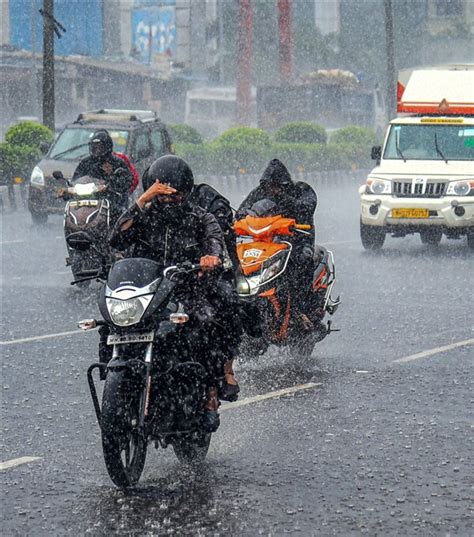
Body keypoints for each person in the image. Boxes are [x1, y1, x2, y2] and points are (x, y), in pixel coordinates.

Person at [108, 155, 241, 430]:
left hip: (188, 288)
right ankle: (119, 375)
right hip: (149, 291)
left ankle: (211, 393)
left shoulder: (201, 218)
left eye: (173, 194)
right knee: (111, 322)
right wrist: (142, 200)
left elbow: (214, 243)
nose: (167, 200)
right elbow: (115, 238)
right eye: (161, 194)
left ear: (185, 192)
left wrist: (210, 258)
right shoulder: (143, 216)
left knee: (205, 323)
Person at [236, 158, 320, 326]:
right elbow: (241, 211)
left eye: (276, 186)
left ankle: (300, 308)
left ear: (285, 184)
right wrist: (246, 215)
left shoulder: (302, 190)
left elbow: (306, 207)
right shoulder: (260, 192)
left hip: (297, 241)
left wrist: (283, 197)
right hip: (266, 242)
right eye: (269, 186)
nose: (272, 190)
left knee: (302, 260)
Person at [71, 130, 133, 218]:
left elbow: (127, 181)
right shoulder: (85, 163)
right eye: (94, 147)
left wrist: (112, 178)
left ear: (107, 147)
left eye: (99, 147)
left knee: (121, 218)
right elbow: (76, 180)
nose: (96, 150)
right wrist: (69, 189)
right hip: (88, 201)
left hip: (112, 202)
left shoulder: (117, 162)